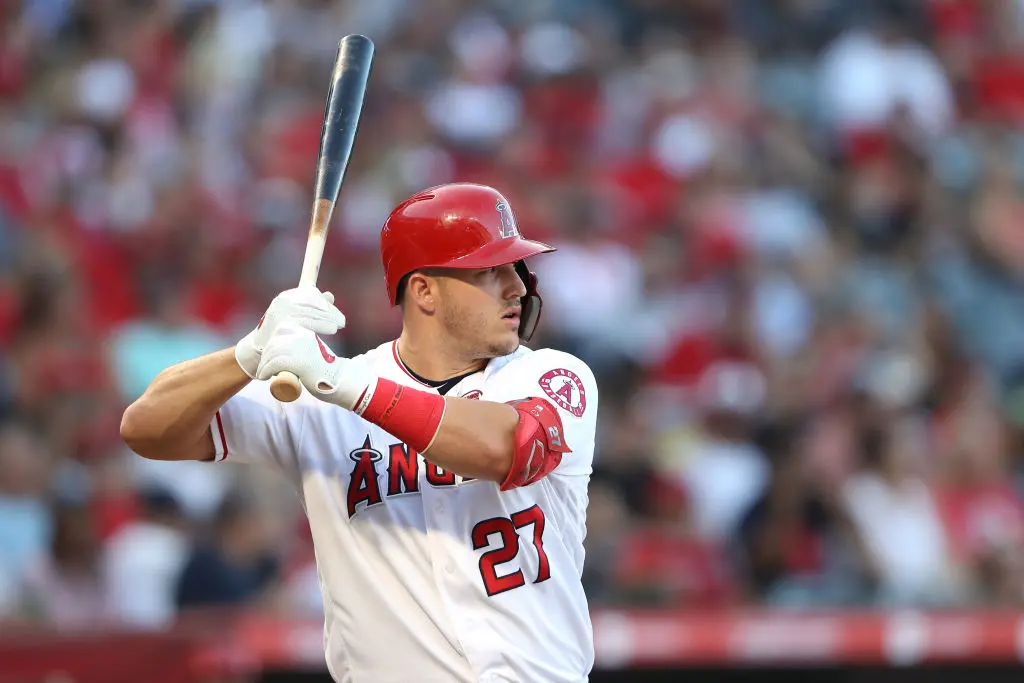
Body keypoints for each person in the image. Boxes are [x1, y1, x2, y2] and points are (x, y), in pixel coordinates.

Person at [120, 183, 599, 683]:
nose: (518, 287)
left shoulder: (552, 375)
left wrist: (337, 379)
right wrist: (249, 352)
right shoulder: (314, 403)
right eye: (489, 271)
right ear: (424, 291)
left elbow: (503, 446)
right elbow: (147, 429)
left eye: (516, 268)